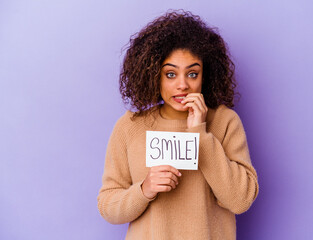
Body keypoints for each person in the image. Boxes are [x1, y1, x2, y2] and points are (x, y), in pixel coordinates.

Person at [97, 10, 259, 240]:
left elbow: (240, 200)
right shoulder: (130, 127)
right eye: (171, 74)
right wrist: (145, 189)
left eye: (192, 74)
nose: (182, 85)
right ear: (154, 75)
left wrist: (200, 134)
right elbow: (108, 207)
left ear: (206, 75)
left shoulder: (224, 122)